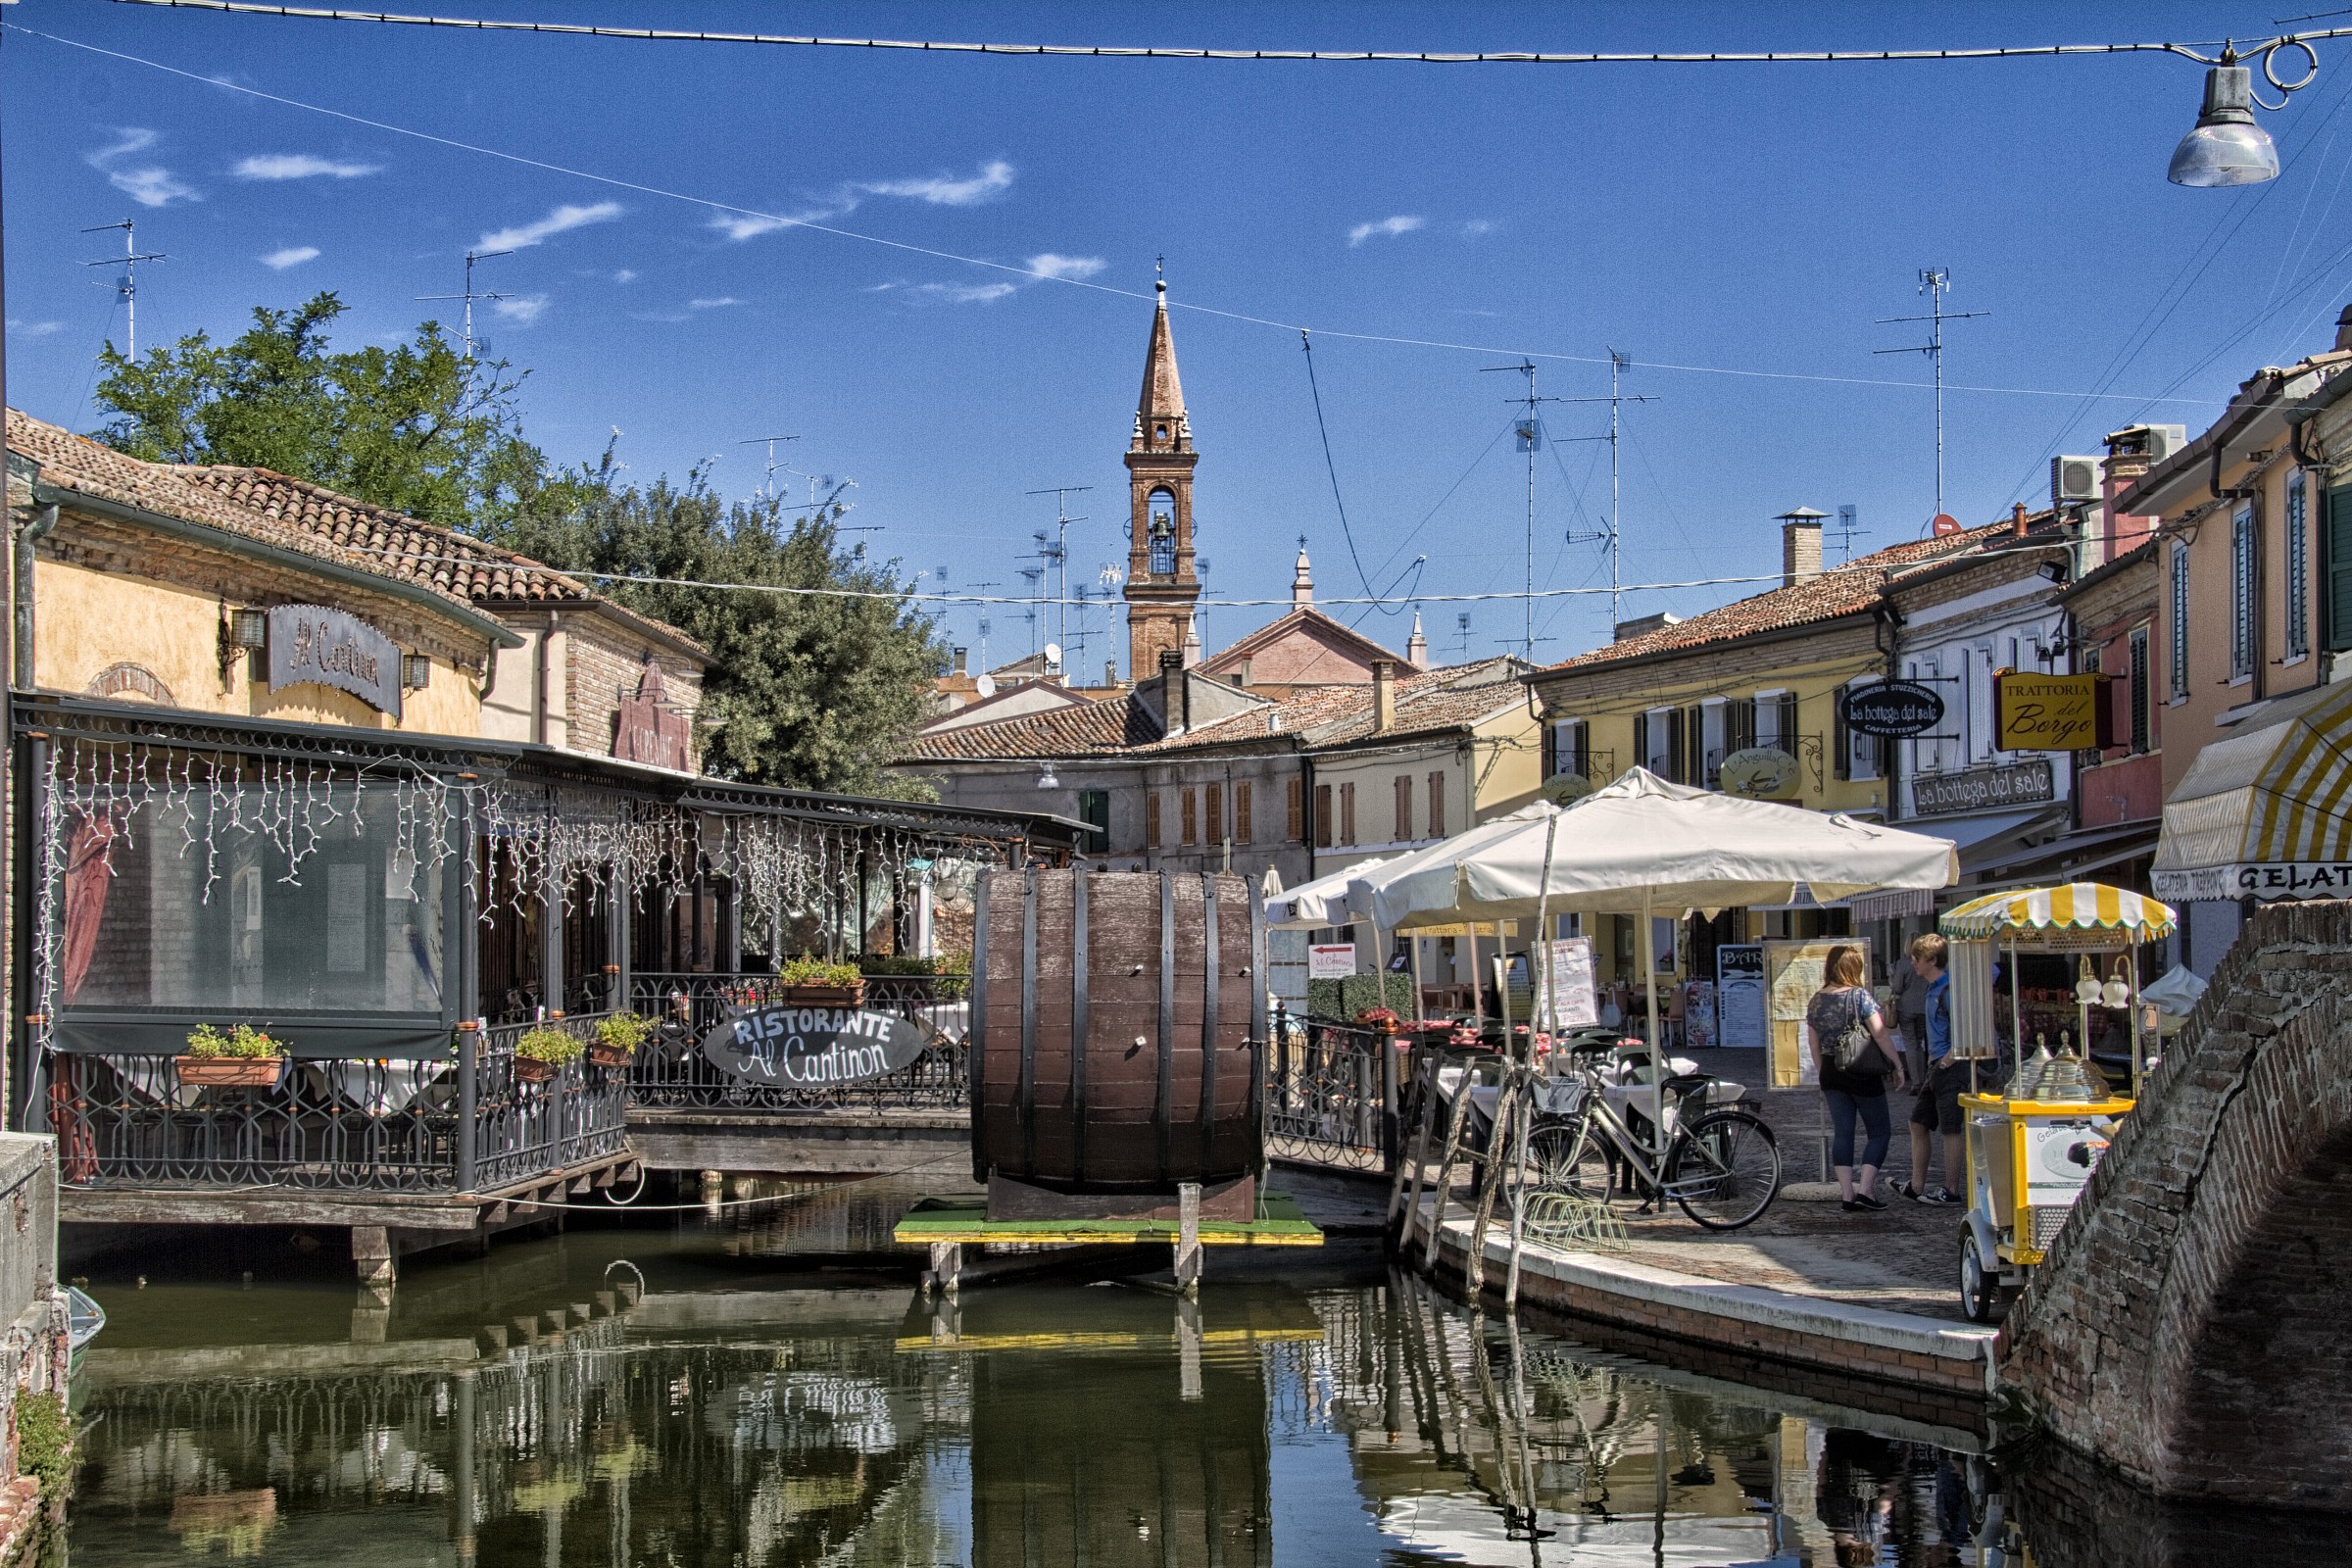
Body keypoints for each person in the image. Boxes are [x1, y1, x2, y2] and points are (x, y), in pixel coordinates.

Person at [1807, 944, 1906, 1210]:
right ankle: (1866, 1190)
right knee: (1879, 1132)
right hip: (1861, 1071)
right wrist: (1897, 1065)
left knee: (1843, 1132)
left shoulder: (1816, 1000)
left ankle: (1847, 1194)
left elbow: (1813, 1045)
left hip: (1830, 1071)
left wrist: (1822, 1073)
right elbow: (1880, 1033)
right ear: (1854, 969)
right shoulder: (1860, 997)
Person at [1899, 932, 1966, 1204]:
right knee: (1917, 1122)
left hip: (1950, 1065)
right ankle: (1916, 1185)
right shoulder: (1932, 986)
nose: (1914, 962)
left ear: (1932, 959)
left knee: (1951, 1128)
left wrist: (1947, 1060)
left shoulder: (1948, 988)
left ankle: (1951, 1191)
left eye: (1918, 958)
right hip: (1936, 1064)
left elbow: (1963, 1032)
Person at [1887, 942, 1932, 1085]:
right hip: (1924, 1006)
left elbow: (1898, 988)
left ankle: (1916, 1081)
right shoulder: (1927, 962)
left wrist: (1892, 982)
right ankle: (1923, 1078)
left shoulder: (1903, 963)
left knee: (1910, 1044)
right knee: (1919, 1043)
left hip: (1906, 1008)